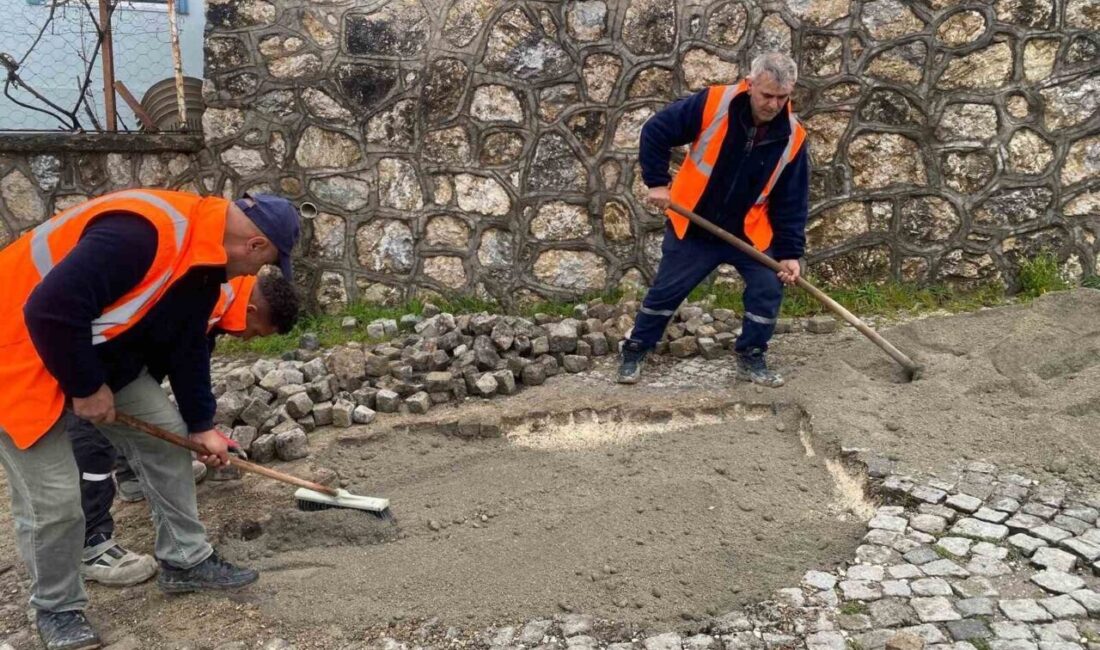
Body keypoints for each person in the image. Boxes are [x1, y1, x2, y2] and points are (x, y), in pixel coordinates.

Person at [0, 189, 300, 650]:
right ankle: (56, 609)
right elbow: (49, 309)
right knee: (55, 500)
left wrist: (202, 426)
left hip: (82, 347)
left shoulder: (204, 264)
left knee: (167, 439)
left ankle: (185, 559)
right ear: (255, 245)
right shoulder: (141, 234)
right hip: (16, 352)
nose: (250, 276)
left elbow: (188, 347)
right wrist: (85, 387)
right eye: (263, 263)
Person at [73, 273, 300, 588]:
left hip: (119, 361)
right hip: (78, 356)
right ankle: (92, 543)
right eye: (256, 332)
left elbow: (190, 367)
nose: (249, 339)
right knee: (91, 444)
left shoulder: (218, 303)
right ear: (250, 310)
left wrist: (202, 428)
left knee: (151, 430)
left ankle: (132, 479)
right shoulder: (206, 293)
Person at [617, 52, 810, 388]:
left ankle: (751, 355)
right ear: (750, 85)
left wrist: (790, 253)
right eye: (767, 95)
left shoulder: (793, 137)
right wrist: (657, 184)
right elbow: (656, 130)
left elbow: (792, 199)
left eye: (782, 97)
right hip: (696, 224)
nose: (774, 105)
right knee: (666, 291)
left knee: (767, 287)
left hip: (748, 232)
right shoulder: (714, 104)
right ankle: (636, 348)